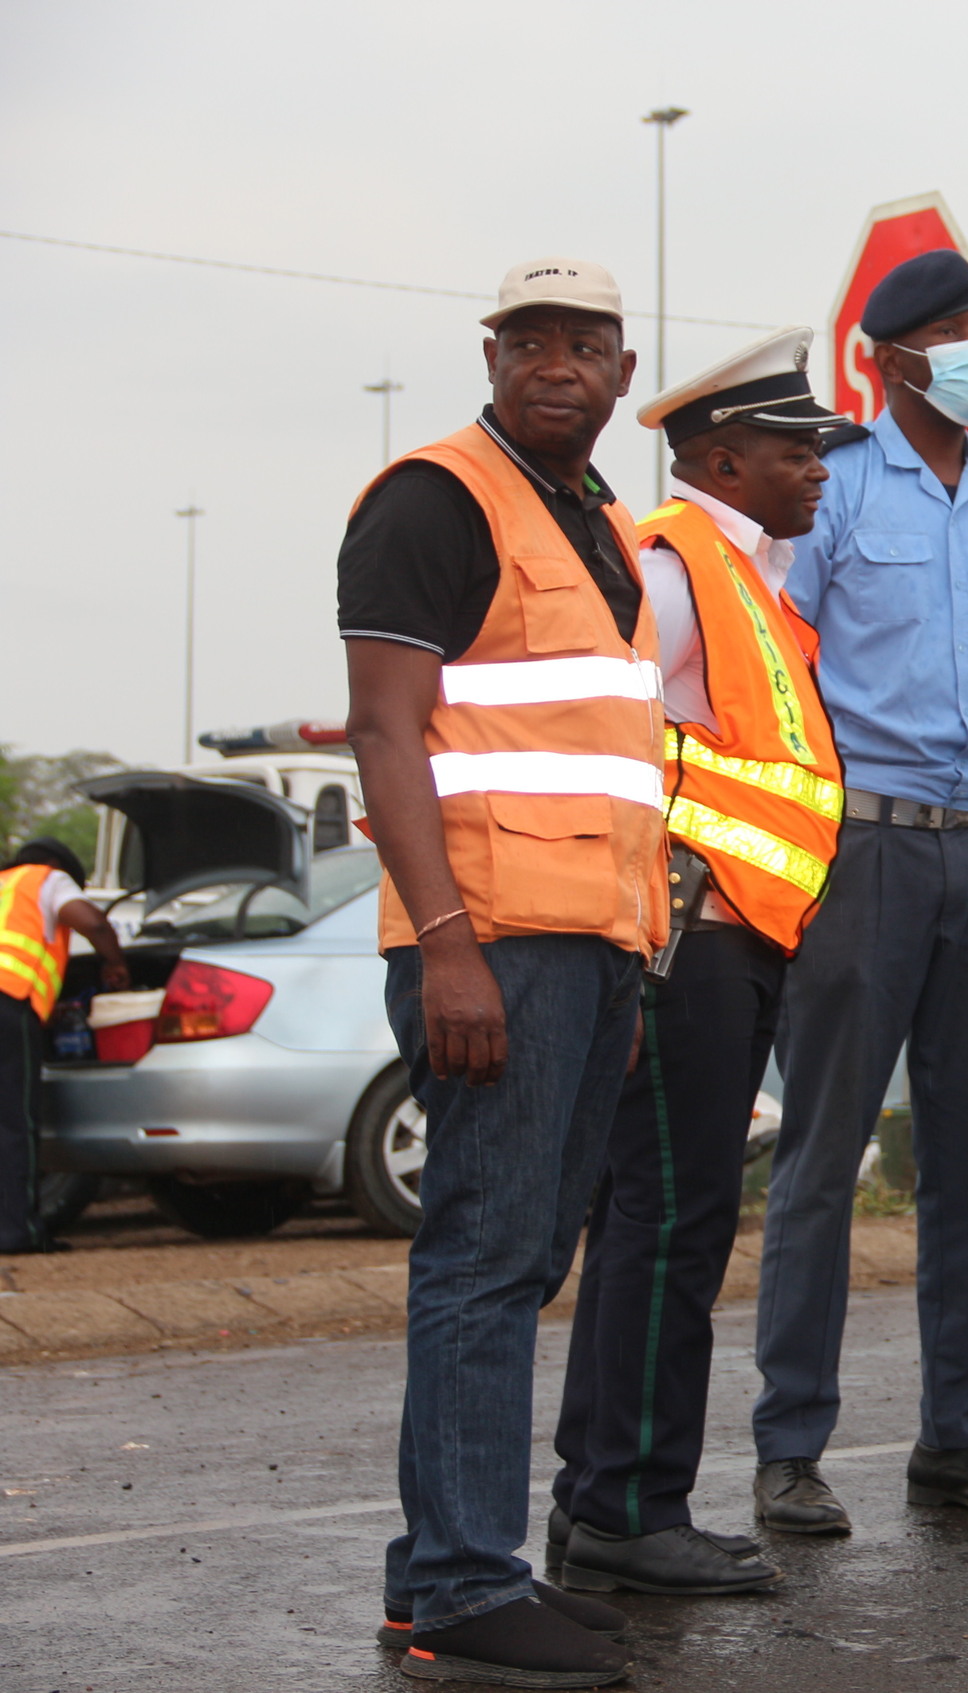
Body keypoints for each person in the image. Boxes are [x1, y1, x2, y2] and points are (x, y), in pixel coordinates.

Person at [337, 257, 663, 1687]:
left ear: (620, 375)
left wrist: (632, 959)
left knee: (523, 1256)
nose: (554, 365)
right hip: (494, 940)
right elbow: (384, 734)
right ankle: (469, 1583)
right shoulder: (434, 499)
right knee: (480, 1261)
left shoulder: (593, 518)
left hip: (590, 942)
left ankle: (444, 1573)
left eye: (582, 345)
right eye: (527, 341)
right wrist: (449, 942)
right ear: (490, 356)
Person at [750, 249, 968, 1532]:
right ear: (890, 362)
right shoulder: (830, 489)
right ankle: (790, 1447)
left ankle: (960, 1439)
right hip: (863, 849)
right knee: (825, 1152)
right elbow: (786, 670)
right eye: (953, 333)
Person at [545, 328, 851, 1598]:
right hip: (684, 937)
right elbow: (615, 740)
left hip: (736, 932)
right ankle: (628, 1504)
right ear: (721, 457)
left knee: (654, 1225)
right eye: (795, 449)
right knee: (665, 1227)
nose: (817, 469)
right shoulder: (673, 568)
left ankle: (604, 1496)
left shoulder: (754, 578)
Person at [0, 839, 128, 1255]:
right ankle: (18, 1232)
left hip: (15, 1002)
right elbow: (92, 922)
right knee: (14, 1123)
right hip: (6, 1002)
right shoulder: (47, 879)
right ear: (56, 865)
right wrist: (113, 962)